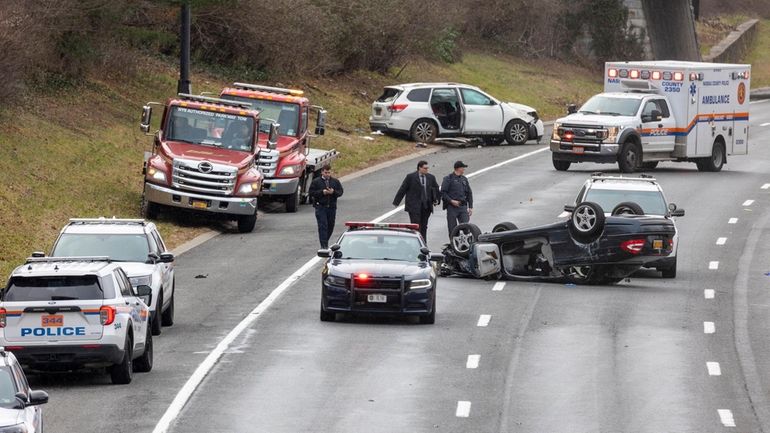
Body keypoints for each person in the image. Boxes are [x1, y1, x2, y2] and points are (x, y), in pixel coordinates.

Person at [392, 160, 440, 241]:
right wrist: (396, 202)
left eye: (427, 168)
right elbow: (403, 189)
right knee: (416, 226)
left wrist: (437, 199)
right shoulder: (411, 177)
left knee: (424, 226)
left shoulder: (431, 177)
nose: (427, 170)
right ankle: (416, 243)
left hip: (426, 206)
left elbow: (436, 188)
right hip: (414, 206)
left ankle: (424, 244)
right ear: (419, 168)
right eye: (425, 168)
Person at [309, 165, 344, 249]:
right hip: (321, 207)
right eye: (325, 172)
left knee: (330, 225)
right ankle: (323, 246)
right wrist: (322, 192)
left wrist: (333, 192)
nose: (327, 174)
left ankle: (325, 241)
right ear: (322, 172)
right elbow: (311, 192)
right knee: (322, 226)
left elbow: (340, 192)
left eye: (328, 172)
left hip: (331, 207)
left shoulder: (335, 181)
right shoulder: (316, 181)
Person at [441, 161, 473, 237]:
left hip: (462, 206)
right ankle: (454, 245)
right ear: (458, 168)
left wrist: (470, 207)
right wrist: (451, 201)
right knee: (453, 229)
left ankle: (467, 245)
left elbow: (469, 193)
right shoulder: (448, 178)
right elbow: (443, 193)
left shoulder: (464, 179)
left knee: (466, 227)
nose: (463, 170)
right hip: (452, 207)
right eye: (462, 168)